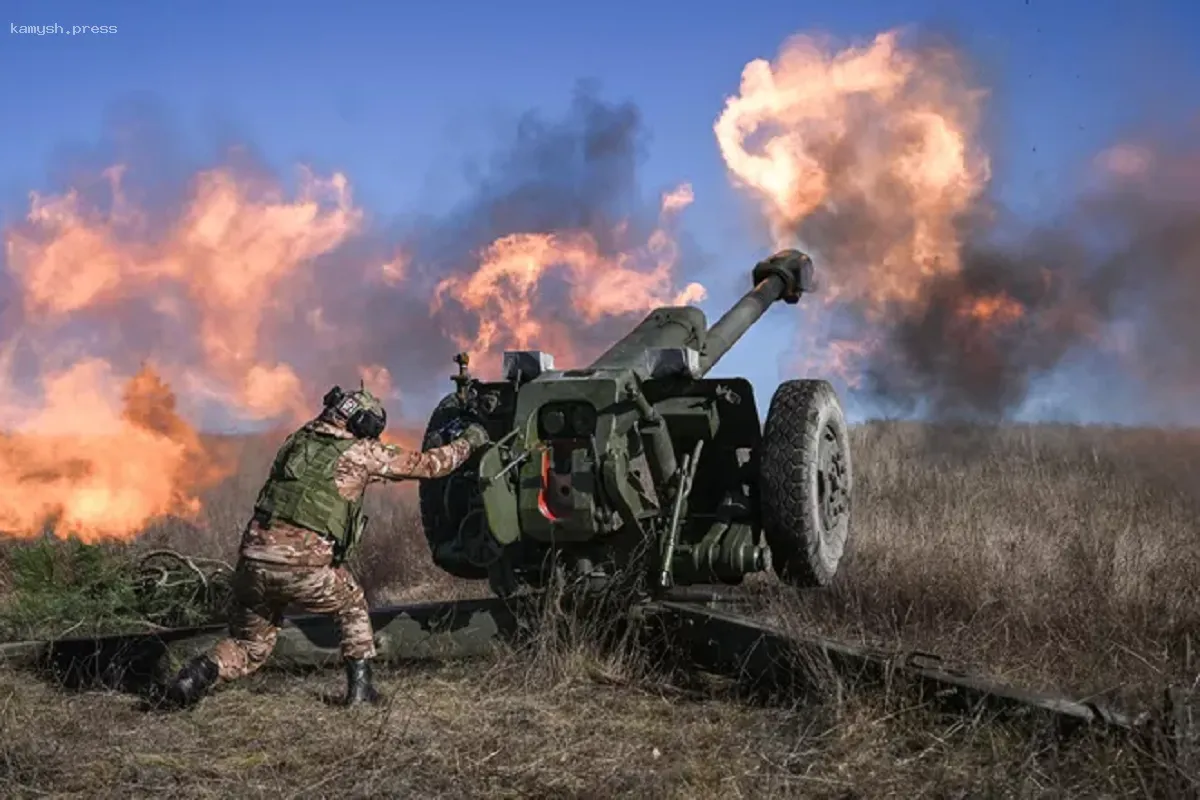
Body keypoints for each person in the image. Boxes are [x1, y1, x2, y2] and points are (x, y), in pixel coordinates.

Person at [162, 385, 488, 709]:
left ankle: (193, 678)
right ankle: (361, 693)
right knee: (352, 603)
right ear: (361, 423)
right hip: (301, 568)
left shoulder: (297, 441)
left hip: (252, 563)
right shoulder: (359, 453)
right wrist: (470, 439)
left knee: (249, 646)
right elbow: (431, 465)